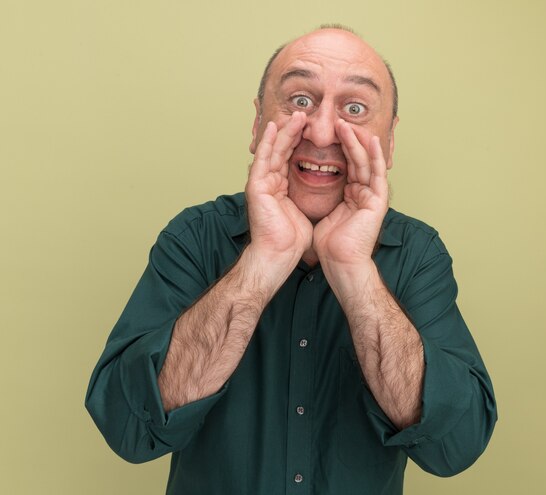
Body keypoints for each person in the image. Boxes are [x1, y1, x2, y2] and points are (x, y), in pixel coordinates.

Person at [86, 25, 497, 494]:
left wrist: (355, 273)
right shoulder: (195, 238)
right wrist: (261, 263)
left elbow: (455, 447)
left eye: (355, 109)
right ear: (258, 123)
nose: (321, 132)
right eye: (300, 101)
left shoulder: (418, 254)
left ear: (390, 141)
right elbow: (129, 429)